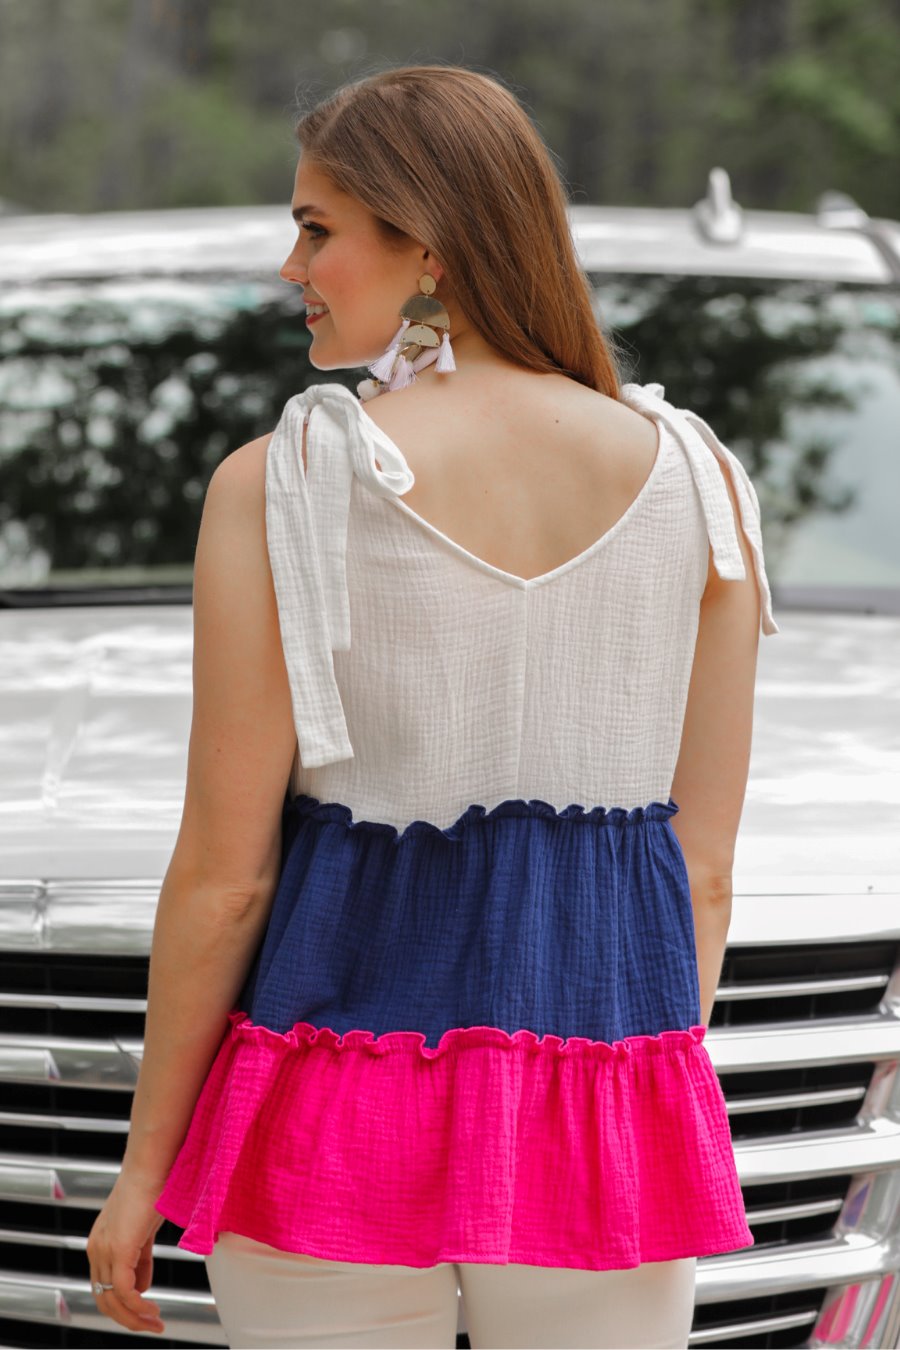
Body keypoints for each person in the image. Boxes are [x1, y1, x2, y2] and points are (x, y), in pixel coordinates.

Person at [86, 63, 778, 1350]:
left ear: (428, 247)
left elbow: (228, 880)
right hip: (606, 1092)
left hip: (329, 1091)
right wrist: (630, 1084)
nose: (291, 264)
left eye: (316, 227)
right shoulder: (704, 485)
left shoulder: (288, 480)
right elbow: (705, 870)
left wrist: (145, 1171)